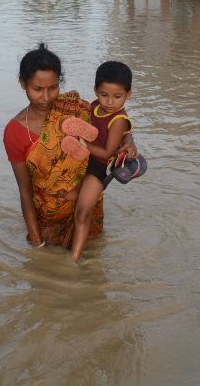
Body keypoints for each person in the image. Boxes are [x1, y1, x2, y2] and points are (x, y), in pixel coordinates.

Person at [3, 44, 137, 253]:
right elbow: (25, 190)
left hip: (87, 214)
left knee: (91, 268)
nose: (46, 98)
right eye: (37, 89)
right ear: (23, 83)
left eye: (53, 88)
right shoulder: (15, 131)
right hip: (46, 222)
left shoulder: (71, 108)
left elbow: (112, 122)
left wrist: (129, 141)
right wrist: (37, 243)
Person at [67, 61, 134, 263]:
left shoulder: (119, 119)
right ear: (96, 91)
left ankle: (73, 259)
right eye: (104, 95)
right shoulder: (95, 106)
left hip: (99, 167)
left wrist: (82, 144)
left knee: (82, 212)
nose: (110, 102)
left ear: (128, 95)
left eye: (117, 96)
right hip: (84, 160)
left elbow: (107, 153)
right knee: (68, 198)